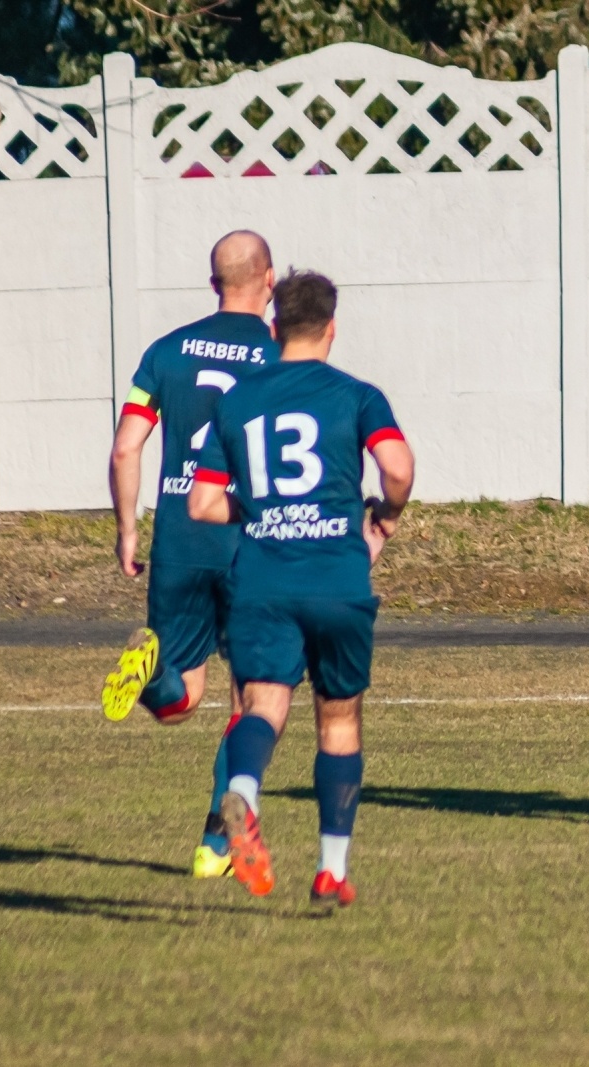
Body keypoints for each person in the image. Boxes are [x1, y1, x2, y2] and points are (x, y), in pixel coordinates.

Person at [188, 269, 414, 909]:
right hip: (337, 577)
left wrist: (258, 511)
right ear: (332, 329)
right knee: (338, 716)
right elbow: (397, 468)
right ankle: (331, 870)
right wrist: (386, 516)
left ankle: (246, 796)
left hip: (262, 578)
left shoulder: (237, 401)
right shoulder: (356, 395)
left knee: (262, 705)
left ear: (274, 326)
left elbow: (204, 503)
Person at [99, 230, 280, 878]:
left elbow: (127, 447)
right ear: (270, 282)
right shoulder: (281, 355)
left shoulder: (166, 351)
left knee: (181, 700)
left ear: (213, 283)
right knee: (249, 703)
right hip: (248, 542)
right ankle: (215, 845)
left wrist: (128, 530)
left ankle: (151, 672)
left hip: (179, 541)